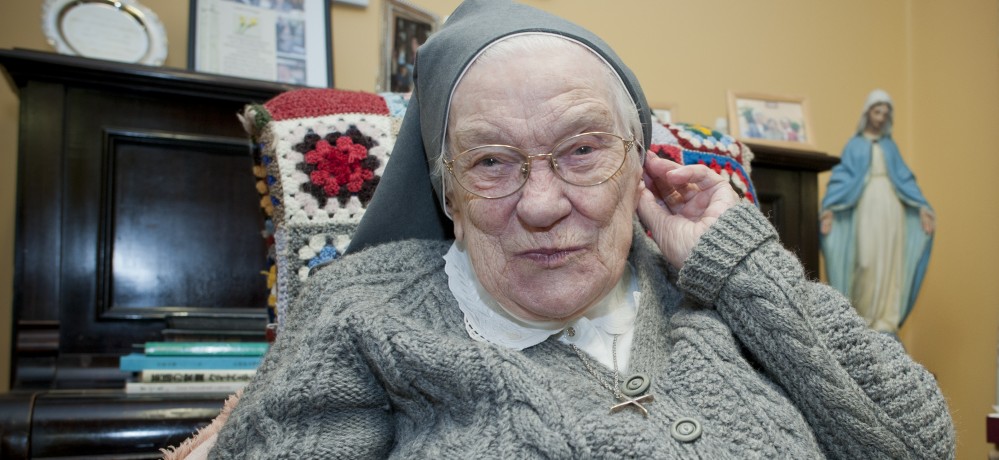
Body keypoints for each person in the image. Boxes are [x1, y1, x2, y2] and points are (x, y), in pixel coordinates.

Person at [172, 1, 953, 458]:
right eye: (491, 162)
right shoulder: (362, 313)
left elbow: (917, 445)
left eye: (581, 151)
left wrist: (739, 264)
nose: (541, 203)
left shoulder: (712, 282)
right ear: (444, 188)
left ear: (638, 162)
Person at [820, 89, 935, 334]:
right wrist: (829, 208)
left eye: (885, 112)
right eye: (877, 111)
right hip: (865, 206)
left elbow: (904, 178)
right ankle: (863, 319)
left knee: (890, 263)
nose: (881, 117)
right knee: (866, 260)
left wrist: (923, 208)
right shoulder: (855, 145)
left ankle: (885, 321)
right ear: (867, 113)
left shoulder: (890, 147)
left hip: (891, 207)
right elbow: (842, 178)